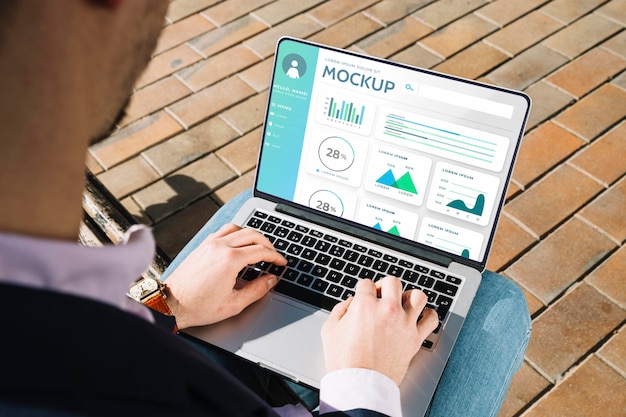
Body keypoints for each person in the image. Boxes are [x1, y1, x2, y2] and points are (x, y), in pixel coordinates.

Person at [0, 1, 531, 416]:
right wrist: (366, 381)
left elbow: (85, 363)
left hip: (158, 345)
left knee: (249, 211)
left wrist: (169, 307)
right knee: (497, 304)